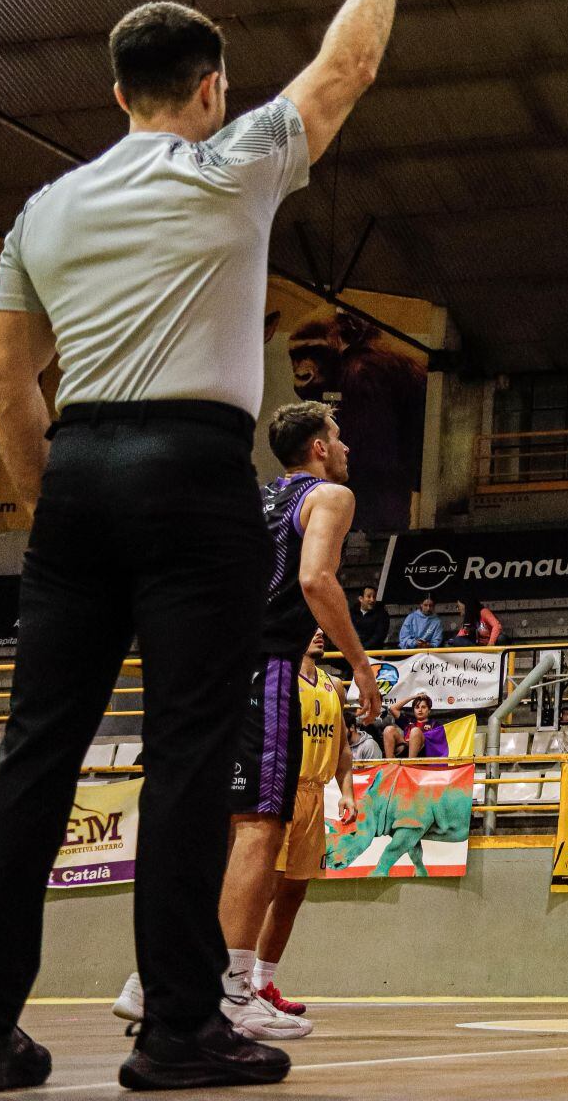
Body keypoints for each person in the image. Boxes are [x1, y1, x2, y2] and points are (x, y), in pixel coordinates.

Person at [0, 0, 395, 1092]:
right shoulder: (234, 162)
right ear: (210, 89)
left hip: (76, 476)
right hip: (191, 473)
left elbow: (7, 386)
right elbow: (345, 69)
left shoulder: (44, 213)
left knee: (34, 756)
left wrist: (43, 497)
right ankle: (175, 1029)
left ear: (118, 92)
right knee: (184, 751)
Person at [113, 402, 383, 1049]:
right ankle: (231, 993)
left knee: (219, 829)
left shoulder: (256, 497)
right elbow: (317, 578)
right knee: (263, 826)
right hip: (262, 665)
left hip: (203, 661)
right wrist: (361, 664)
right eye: (339, 437)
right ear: (318, 447)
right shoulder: (330, 495)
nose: (346, 449)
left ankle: (156, 979)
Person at [248, 632, 358, 1021]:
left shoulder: (334, 685)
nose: (316, 632)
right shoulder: (275, 677)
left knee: (293, 893)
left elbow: (342, 745)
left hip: (314, 793)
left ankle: (262, 982)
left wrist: (346, 791)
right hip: (278, 788)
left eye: (319, 626)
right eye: (307, 624)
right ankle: (234, 981)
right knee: (260, 889)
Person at [349, 585, 390, 651]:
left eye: (374, 597)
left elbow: (379, 636)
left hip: (373, 655)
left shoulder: (382, 614)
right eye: (369, 596)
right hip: (352, 653)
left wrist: (362, 649)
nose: (372, 600)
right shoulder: (351, 613)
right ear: (361, 599)